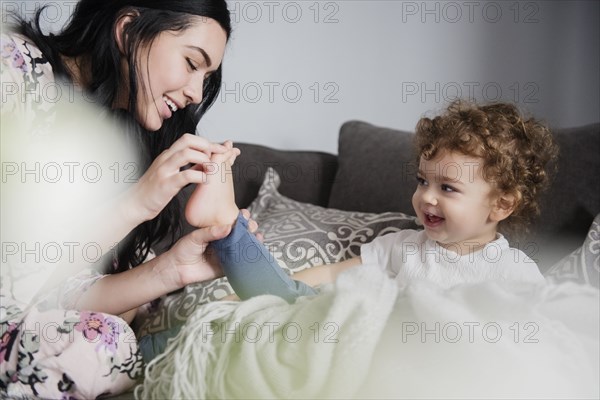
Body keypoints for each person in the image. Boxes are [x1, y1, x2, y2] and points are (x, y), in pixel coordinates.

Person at [0, 1, 252, 398]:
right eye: (191, 62)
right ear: (129, 30)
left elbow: (56, 292)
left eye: (207, 76)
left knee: (106, 341)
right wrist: (134, 204)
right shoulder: (13, 69)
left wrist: (175, 269)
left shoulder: (119, 143)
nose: (195, 92)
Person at [188, 100, 558, 305]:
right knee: (288, 302)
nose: (426, 196)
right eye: (422, 181)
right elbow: (332, 274)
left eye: (448, 188)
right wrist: (278, 294)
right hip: (375, 345)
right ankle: (227, 224)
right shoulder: (405, 247)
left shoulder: (515, 272)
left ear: (501, 205)